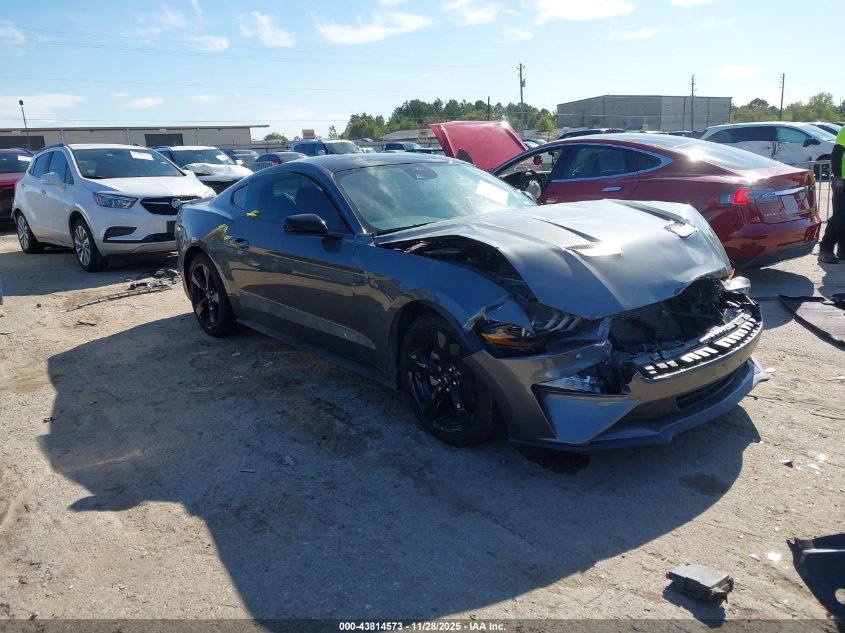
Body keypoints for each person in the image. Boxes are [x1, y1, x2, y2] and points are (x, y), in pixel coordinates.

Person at [819, 124, 845, 263]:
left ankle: (843, 250)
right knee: (840, 218)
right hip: (842, 181)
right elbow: (836, 154)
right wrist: (838, 177)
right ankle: (825, 250)